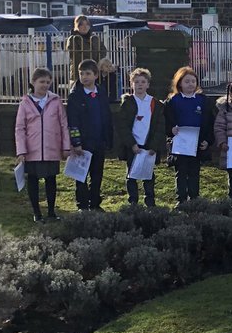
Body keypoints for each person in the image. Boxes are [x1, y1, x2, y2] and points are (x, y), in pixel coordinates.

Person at [15, 67, 71, 222]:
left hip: (51, 148)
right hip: (32, 150)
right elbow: (20, 128)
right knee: (33, 180)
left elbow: (63, 124)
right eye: (41, 82)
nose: (45, 85)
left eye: (48, 82)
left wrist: (66, 146)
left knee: (51, 180)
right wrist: (21, 151)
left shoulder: (56, 101)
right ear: (33, 82)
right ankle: (37, 213)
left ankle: (51, 212)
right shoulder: (25, 103)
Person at [67, 59, 114, 211]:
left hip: (99, 140)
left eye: (88, 73)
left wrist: (108, 139)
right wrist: (76, 142)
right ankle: (82, 204)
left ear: (95, 75)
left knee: (97, 174)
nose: (84, 77)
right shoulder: (75, 96)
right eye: (81, 74)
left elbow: (106, 117)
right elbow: (72, 121)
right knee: (81, 175)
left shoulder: (101, 92)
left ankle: (95, 203)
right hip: (83, 143)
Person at [164, 66, 215, 205]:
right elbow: (166, 121)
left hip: (197, 144)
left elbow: (210, 122)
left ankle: (194, 199)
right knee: (180, 172)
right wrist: (171, 130)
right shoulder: (173, 101)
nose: (190, 84)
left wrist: (207, 141)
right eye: (187, 81)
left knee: (194, 172)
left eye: (193, 81)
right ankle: (181, 200)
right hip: (180, 145)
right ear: (179, 83)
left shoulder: (203, 101)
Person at [117, 67, 167, 207]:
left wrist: (154, 146)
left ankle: (150, 202)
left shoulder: (155, 104)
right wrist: (131, 144)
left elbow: (159, 126)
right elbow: (122, 127)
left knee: (148, 176)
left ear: (148, 84)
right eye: (136, 81)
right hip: (133, 146)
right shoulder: (128, 103)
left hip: (149, 146)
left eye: (143, 82)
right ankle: (133, 202)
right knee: (131, 175)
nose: (139, 84)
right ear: (131, 84)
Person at [65, 15, 116, 98]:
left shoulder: (94, 38)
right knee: (79, 96)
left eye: (87, 24)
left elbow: (103, 50)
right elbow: (75, 56)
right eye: (81, 24)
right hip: (79, 73)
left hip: (95, 72)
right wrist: (91, 62)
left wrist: (98, 63)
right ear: (76, 26)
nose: (85, 27)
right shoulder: (74, 39)